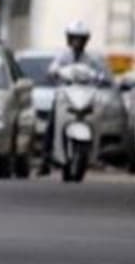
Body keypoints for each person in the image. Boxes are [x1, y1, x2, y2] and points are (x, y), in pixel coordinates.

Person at [38, 20, 98, 175]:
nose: (77, 42)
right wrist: (54, 72)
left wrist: (100, 78)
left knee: (96, 116)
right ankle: (45, 158)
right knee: (52, 123)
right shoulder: (63, 56)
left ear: (85, 41)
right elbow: (53, 69)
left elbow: (97, 73)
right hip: (65, 95)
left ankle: (93, 153)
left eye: (81, 39)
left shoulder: (89, 59)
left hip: (83, 96)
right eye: (74, 38)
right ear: (69, 39)